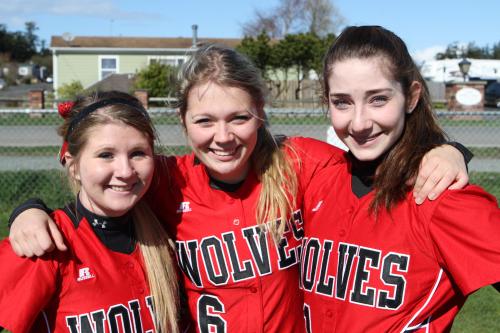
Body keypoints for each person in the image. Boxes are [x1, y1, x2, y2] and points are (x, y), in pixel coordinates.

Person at [7, 44, 470, 332]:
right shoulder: (166, 177)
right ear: (184, 121)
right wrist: (29, 210)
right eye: (205, 120)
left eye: (239, 118)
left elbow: (377, 158)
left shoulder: (300, 163)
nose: (223, 137)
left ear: (262, 112)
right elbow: (101, 181)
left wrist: (449, 150)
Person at [300, 25, 500, 332]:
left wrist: (452, 151)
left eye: (378, 99)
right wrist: (456, 149)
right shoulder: (315, 176)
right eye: (342, 102)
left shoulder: (440, 196)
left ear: (411, 97)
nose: (359, 122)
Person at [0, 91, 179, 332]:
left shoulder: (169, 223)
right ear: (73, 166)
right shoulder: (47, 244)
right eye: (106, 155)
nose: (125, 171)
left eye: (138, 153)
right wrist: (27, 211)